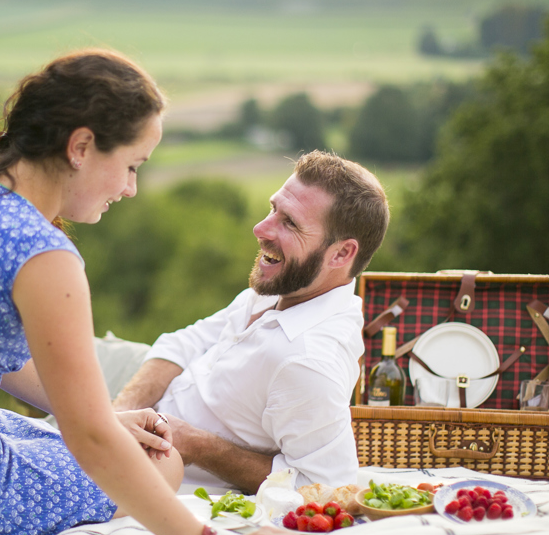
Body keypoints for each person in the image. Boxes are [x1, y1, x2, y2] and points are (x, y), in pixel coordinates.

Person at [0, 49, 295, 535]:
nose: (131, 188)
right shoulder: (41, 254)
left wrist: (104, 417)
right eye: (132, 165)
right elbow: (91, 442)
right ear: (81, 147)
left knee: (99, 433)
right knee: (162, 459)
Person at [113, 151, 389, 494]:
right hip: (131, 422)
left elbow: (323, 486)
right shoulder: (287, 285)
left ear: (342, 254)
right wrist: (118, 416)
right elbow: (186, 342)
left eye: (290, 222)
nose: (261, 228)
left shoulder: (309, 362)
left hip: (151, 478)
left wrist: (195, 444)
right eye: (274, 208)